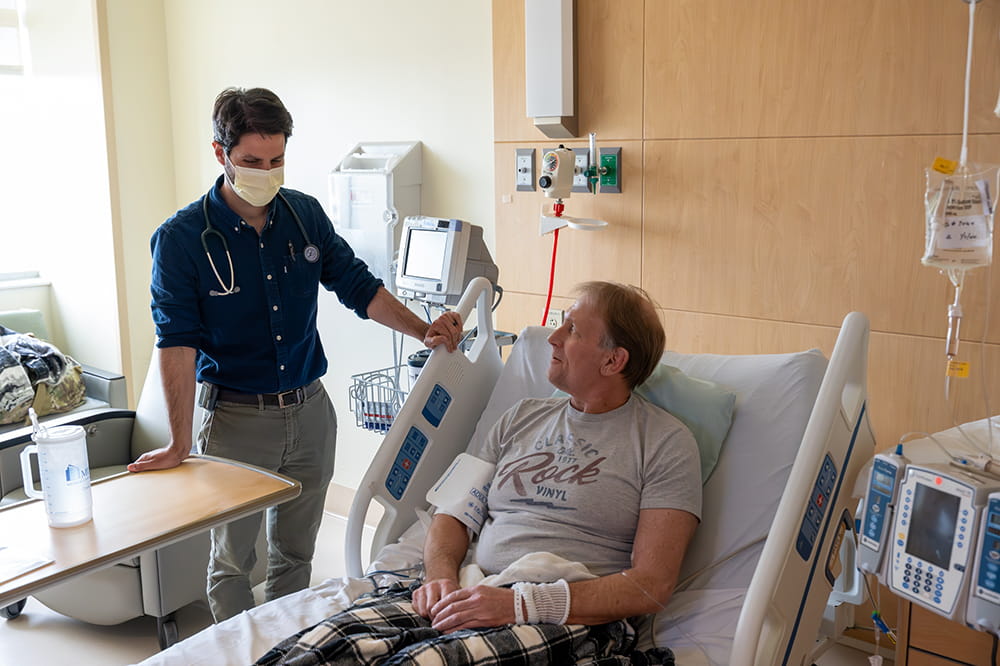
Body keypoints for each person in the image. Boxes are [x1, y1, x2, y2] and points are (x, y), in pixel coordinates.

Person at [127, 87, 463, 623]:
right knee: (233, 563)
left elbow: (358, 286)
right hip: (237, 420)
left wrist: (423, 330)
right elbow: (176, 342)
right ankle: (241, 655)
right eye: (252, 162)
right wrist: (178, 438)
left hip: (310, 413)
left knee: (297, 553)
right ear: (221, 154)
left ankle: (287, 649)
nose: (267, 171)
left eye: (277, 159)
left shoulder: (303, 216)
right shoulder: (183, 239)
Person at [255, 281, 702, 664]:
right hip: (470, 589)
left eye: (572, 330)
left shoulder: (665, 443)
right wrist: (440, 576)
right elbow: (453, 515)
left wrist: (520, 604)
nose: (552, 338)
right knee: (318, 647)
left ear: (613, 361)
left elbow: (651, 585)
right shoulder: (520, 417)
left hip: (566, 615)